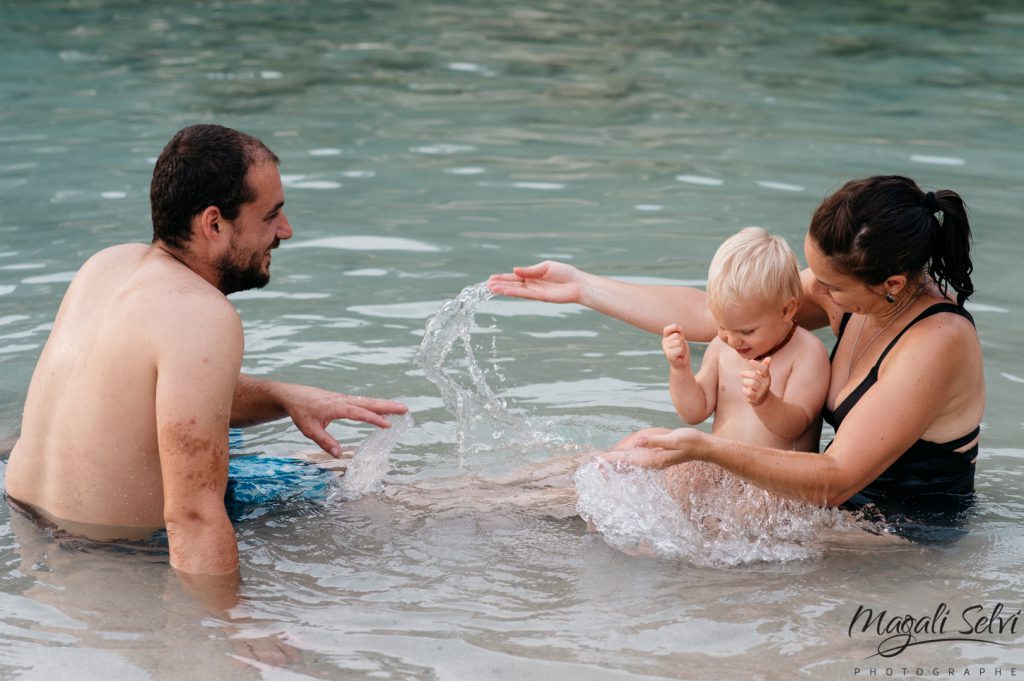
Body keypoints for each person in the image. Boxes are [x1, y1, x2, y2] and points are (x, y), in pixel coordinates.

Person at [4, 124, 408, 583]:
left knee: (343, 463)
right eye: (271, 215)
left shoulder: (107, 265)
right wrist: (227, 632)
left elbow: (146, 396)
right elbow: (193, 517)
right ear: (213, 223)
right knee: (389, 495)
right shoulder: (203, 315)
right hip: (117, 559)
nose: (286, 231)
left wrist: (282, 396)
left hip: (30, 521)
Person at [489, 175, 983, 531]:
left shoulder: (936, 341)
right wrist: (583, 287)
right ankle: (460, 503)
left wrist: (707, 450)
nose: (817, 295)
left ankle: (449, 514)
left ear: (892, 283)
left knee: (623, 494)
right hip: (825, 506)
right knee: (603, 468)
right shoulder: (863, 295)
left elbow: (836, 480)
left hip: (898, 538)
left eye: (829, 287)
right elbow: (716, 316)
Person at [616, 226, 829, 455]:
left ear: (786, 310)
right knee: (641, 442)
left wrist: (765, 401)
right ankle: (575, 480)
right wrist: (680, 369)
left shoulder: (807, 353)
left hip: (773, 481)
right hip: (721, 469)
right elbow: (693, 413)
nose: (733, 340)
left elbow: (794, 427)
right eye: (722, 327)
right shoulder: (721, 347)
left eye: (746, 331)